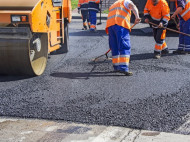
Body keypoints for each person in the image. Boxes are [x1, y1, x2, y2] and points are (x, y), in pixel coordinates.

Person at [105, 0, 141, 76]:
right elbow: (133, 6)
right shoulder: (126, 1)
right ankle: (124, 68)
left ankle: (116, 67)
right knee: (124, 46)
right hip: (121, 25)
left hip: (111, 26)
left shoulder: (114, 4)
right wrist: (137, 16)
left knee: (114, 47)